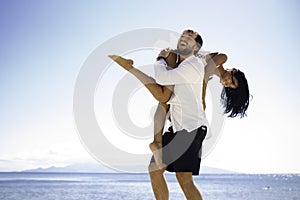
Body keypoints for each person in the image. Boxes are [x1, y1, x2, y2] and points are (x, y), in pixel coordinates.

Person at [109, 29, 250, 200]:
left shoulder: (200, 67)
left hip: (190, 126)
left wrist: (200, 94)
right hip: (180, 122)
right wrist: (202, 97)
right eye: (232, 81)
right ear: (234, 72)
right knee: (156, 169)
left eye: (229, 87)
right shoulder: (219, 60)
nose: (227, 83)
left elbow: (202, 75)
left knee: (183, 178)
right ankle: (157, 141)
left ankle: (157, 141)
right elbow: (205, 74)